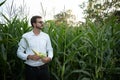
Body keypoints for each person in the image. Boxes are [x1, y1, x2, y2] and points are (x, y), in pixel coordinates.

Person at [17, 15, 53, 80]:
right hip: (30, 70)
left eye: (42, 22)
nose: (42, 23)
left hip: (44, 69)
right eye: (40, 22)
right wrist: (29, 56)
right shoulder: (26, 36)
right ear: (34, 24)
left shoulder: (46, 36)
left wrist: (49, 58)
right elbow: (19, 52)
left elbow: (50, 49)